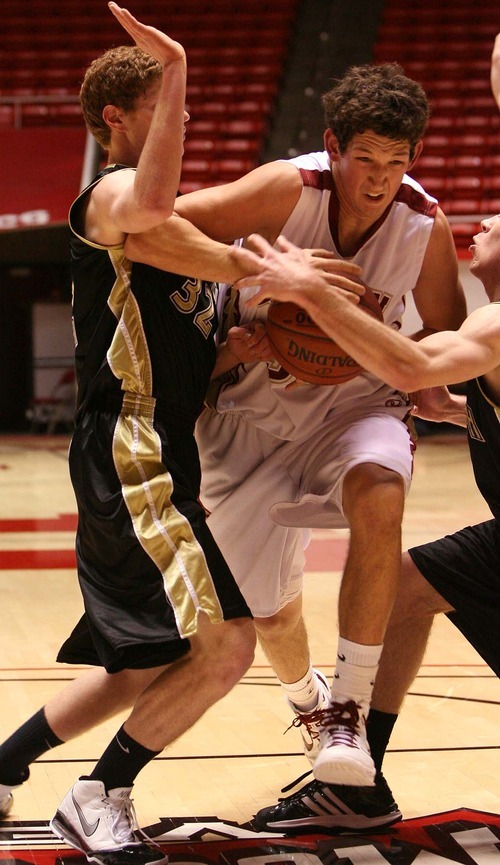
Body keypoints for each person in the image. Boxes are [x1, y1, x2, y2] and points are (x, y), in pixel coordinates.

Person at [126, 61, 466, 801]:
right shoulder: (287, 189)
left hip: (358, 408)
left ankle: (347, 708)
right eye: (366, 159)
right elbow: (150, 232)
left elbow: (443, 329)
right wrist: (254, 266)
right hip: (250, 416)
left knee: (381, 495)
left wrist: (436, 390)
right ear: (332, 146)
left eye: (397, 162)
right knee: (267, 614)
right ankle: (309, 698)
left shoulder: (422, 222)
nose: (380, 180)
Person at [0, 5, 272, 861]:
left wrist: (235, 350)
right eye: (168, 108)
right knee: (226, 646)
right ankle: (99, 791)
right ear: (116, 120)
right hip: (130, 444)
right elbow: (154, 200)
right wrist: (180, 60)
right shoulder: (113, 197)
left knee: (148, 662)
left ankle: (4, 766)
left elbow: (183, 335)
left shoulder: (167, 239)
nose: (183, 121)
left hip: (156, 448)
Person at [230, 216, 500, 832]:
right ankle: (360, 790)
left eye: (499, 222)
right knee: (405, 586)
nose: (483, 222)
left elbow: (409, 367)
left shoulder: (495, 322)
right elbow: (439, 390)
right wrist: (452, 409)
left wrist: (313, 293)